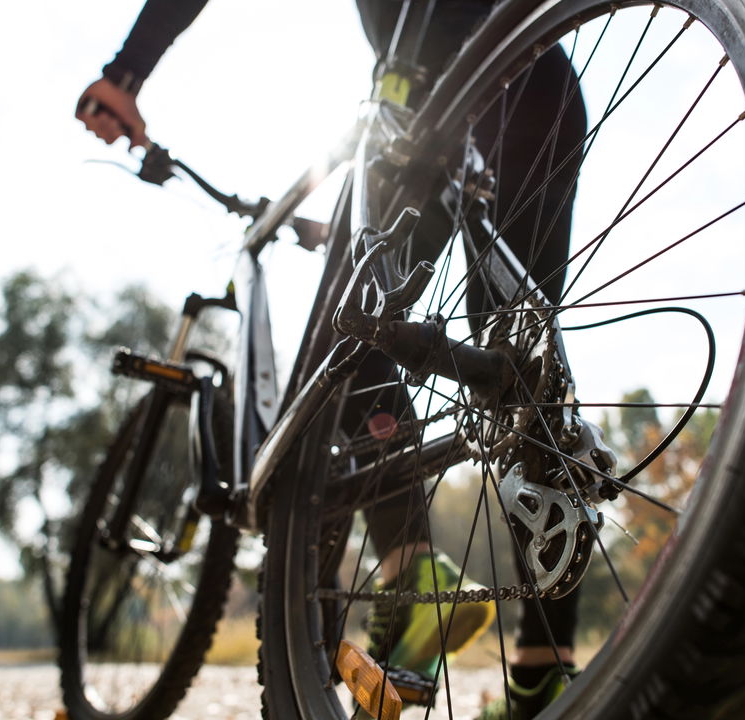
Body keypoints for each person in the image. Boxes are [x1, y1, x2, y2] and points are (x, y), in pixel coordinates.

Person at [77, 3, 587, 717]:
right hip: (543, 79)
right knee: (522, 360)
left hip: (424, 94)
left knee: (352, 335)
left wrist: (125, 72)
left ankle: (410, 583)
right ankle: (540, 673)